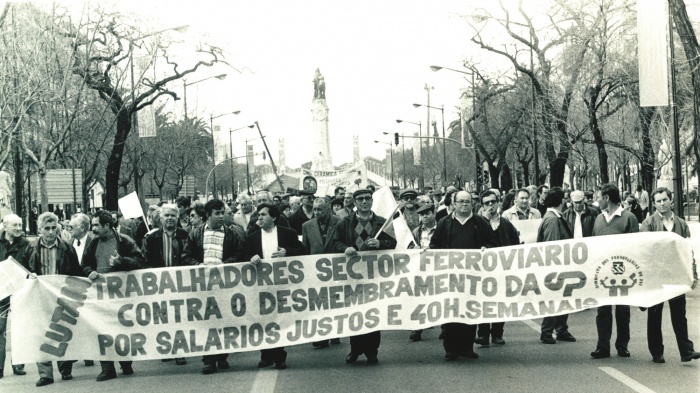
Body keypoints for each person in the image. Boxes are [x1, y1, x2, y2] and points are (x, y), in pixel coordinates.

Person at [330, 189, 397, 364]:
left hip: (375, 274)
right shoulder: (344, 223)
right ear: (354, 202)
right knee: (355, 312)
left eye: (368, 198)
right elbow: (335, 242)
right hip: (353, 275)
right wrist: (345, 248)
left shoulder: (382, 223)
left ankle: (372, 351)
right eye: (360, 199)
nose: (364, 202)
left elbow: (393, 243)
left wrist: (381, 243)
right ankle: (355, 348)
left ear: (372, 201)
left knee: (374, 311)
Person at [182, 199, 245, 374]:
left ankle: (222, 356)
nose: (221, 217)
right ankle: (208, 360)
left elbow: (239, 255)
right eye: (217, 213)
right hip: (202, 287)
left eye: (222, 213)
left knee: (224, 321)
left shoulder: (232, 235)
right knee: (207, 323)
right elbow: (185, 256)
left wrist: (226, 264)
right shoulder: (195, 234)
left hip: (225, 286)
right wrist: (197, 265)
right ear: (208, 215)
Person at [82, 210, 145, 381]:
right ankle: (107, 368)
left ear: (107, 225)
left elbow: (140, 261)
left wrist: (122, 261)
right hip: (100, 296)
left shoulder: (125, 241)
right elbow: (85, 264)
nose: (93, 229)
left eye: (96, 225)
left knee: (121, 329)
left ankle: (125, 363)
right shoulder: (93, 243)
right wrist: (90, 271)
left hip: (122, 295)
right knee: (102, 330)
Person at [640, 187, 700, 363]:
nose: (661, 204)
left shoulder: (681, 223)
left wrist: (693, 275)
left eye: (664, 200)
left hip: (676, 275)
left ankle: (686, 351)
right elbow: (645, 250)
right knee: (655, 314)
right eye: (658, 201)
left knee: (679, 314)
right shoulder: (648, 223)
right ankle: (657, 352)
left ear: (671, 200)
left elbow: (688, 251)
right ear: (654, 204)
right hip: (657, 276)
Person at [22, 212, 82, 387]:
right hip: (39, 297)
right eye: (46, 228)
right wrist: (29, 276)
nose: (50, 232)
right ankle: (45, 374)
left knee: (62, 330)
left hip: (61, 296)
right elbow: (23, 271)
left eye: (53, 228)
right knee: (41, 334)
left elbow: (75, 272)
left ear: (58, 228)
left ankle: (65, 368)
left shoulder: (67, 248)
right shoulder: (31, 248)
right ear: (40, 229)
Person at [429, 190, 491, 361]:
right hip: (450, 276)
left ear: (472, 204)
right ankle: (451, 349)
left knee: (470, 311)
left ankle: (467, 347)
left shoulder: (481, 222)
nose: (464, 205)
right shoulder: (444, 223)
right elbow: (435, 244)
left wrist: (486, 248)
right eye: (461, 202)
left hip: (473, 275)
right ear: (454, 203)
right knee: (451, 312)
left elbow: (491, 242)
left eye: (468, 202)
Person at [246, 203, 307, 369]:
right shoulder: (252, 236)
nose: (259, 217)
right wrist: (252, 258)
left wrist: (287, 252)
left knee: (279, 320)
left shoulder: (288, 233)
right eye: (258, 215)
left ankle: (280, 356)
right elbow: (243, 255)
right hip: (260, 286)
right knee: (263, 320)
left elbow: (303, 251)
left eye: (263, 215)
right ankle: (265, 355)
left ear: (273, 217)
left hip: (282, 284)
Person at [590, 183, 639, 359]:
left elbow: (635, 245)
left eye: (599, 197)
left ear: (607, 198)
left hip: (622, 271)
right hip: (603, 272)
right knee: (602, 310)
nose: (597, 201)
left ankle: (622, 345)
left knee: (622, 310)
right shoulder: (598, 219)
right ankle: (602, 346)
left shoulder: (629, 218)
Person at [140, 205, 190, 366]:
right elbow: (144, 260)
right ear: (160, 219)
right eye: (166, 215)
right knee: (163, 319)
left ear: (178, 218)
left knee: (179, 319)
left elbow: (191, 257)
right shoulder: (151, 238)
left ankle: (179, 351)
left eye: (173, 216)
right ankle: (166, 348)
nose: (169, 218)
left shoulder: (185, 236)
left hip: (181, 285)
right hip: (159, 286)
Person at [476, 190, 520, 347]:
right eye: (486, 203)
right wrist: (485, 222)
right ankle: (482, 334)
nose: (490, 206)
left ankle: (497, 334)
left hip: (502, 270)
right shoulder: (478, 223)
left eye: (492, 202)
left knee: (500, 302)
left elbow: (515, 244)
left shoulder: (506, 224)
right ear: (482, 206)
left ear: (498, 203)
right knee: (483, 302)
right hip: (483, 271)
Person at [537, 187, 577, 344]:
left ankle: (561, 329)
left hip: (562, 266)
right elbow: (553, 247)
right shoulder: (553, 220)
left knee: (562, 298)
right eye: (565, 198)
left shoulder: (554, 217)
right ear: (560, 201)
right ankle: (547, 331)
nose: (567, 201)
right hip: (557, 267)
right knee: (554, 298)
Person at [302, 197, 342, 349]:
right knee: (319, 304)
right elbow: (305, 249)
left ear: (328, 209)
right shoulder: (307, 226)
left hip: (336, 269)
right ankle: (321, 335)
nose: (316, 212)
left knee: (335, 302)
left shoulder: (339, 222)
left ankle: (335, 332)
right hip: (316, 271)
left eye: (320, 209)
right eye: (314, 209)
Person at [0, 214, 28, 379]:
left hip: (20, 292)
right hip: (1, 293)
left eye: (20, 225)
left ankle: (18, 364)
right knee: (0, 329)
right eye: (15, 225)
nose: (18, 228)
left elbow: (32, 264)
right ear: (5, 225)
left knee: (19, 328)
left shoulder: (27, 245)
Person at [408, 203, 438, 342]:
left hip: (439, 267)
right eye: (421, 214)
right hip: (421, 269)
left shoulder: (441, 229)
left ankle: (445, 327)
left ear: (434, 214)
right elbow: (408, 249)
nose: (424, 216)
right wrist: (413, 249)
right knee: (419, 298)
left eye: (427, 213)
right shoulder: (416, 232)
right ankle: (417, 328)